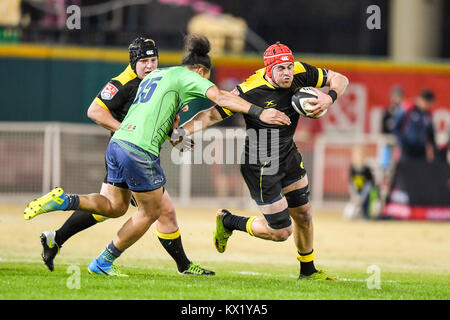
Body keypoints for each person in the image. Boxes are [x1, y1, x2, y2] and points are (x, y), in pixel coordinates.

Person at [24, 35, 291, 276]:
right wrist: (259, 112)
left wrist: (174, 135)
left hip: (117, 144)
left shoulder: (155, 76)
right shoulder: (188, 77)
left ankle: (63, 200)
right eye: (204, 77)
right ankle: (103, 262)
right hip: (139, 150)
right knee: (150, 213)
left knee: (115, 206)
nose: (204, 83)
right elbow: (221, 98)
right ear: (200, 71)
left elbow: (152, 115)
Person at [36, 37, 214, 276]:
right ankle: (181, 266)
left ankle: (57, 233)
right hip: (131, 153)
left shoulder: (159, 79)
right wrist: (125, 129)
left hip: (133, 153)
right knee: (161, 210)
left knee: (111, 207)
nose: (150, 65)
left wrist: (176, 136)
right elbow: (94, 111)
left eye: (153, 60)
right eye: (144, 61)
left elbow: (168, 119)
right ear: (133, 62)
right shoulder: (123, 83)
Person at [172, 42, 349, 280]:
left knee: (304, 214)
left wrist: (330, 98)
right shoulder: (250, 89)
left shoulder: (299, 71)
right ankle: (228, 221)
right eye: (281, 69)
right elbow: (212, 114)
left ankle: (308, 271)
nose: (287, 73)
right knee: (281, 231)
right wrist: (181, 132)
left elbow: (340, 78)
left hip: (287, 153)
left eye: (289, 67)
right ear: (268, 70)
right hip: (261, 163)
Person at [393, 89, 436, 163]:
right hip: (407, 147)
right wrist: (401, 142)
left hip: (421, 148)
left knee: (420, 171)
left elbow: (430, 132)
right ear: (422, 100)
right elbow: (396, 127)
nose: (428, 106)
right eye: (428, 103)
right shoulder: (408, 108)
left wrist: (432, 147)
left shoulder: (428, 113)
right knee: (405, 171)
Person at [345, 147, 380, 220]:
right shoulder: (352, 169)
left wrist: (363, 195)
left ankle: (366, 215)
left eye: (360, 156)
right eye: (356, 157)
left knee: (366, 202)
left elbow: (370, 183)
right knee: (354, 203)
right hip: (357, 191)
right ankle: (354, 214)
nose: (358, 159)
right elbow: (351, 182)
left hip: (367, 191)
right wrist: (354, 195)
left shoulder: (367, 169)